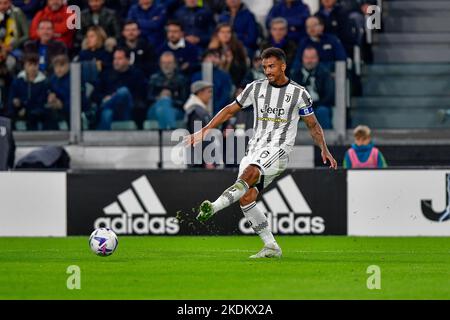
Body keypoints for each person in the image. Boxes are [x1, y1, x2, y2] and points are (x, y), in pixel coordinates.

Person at [185, 47, 337, 258]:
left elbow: (313, 125)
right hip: (254, 149)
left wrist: (324, 149)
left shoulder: (299, 93)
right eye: (264, 66)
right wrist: (204, 130)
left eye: (271, 66)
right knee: (246, 197)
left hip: (278, 149)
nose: (267, 70)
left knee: (250, 175)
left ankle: (214, 207)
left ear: (283, 66)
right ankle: (271, 246)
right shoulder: (255, 88)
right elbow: (229, 110)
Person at [91, 47, 147, 130]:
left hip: (128, 111)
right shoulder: (106, 75)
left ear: (128, 60)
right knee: (107, 113)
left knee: (123, 92)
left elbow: (142, 96)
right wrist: (104, 98)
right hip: (111, 111)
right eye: (115, 58)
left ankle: (106, 105)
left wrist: (115, 97)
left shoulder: (137, 75)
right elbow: (94, 95)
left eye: (120, 58)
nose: (116, 61)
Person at [291, 46, 334, 129]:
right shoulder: (295, 75)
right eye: (307, 58)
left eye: (312, 58)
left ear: (317, 58)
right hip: (300, 108)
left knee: (323, 111)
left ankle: (326, 141)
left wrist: (314, 106)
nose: (309, 61)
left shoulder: (324, 74)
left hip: (320, 106)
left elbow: (329, 95)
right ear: (302, 59)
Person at [147, 51, 188, 129]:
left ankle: (165, 136)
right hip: (154, 109)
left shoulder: (182, 80)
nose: (166, 66)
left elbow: (184, 102)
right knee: (163, 104)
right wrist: (160, 98)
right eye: (164, 63)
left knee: (162, 110)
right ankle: (171, 133)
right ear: (160, 64)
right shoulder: (154, 79)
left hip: (175, 110)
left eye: (169, 63)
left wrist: (170, 99)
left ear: (175, 64)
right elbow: (148, 99)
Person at [8, 53, 48, 130]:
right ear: (25, 66)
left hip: (35, 111)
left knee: (35, 114)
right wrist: (16, 103)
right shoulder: (17, 81)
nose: (33, 68)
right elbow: (12, 97)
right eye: (30, 65)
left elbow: (42, 101)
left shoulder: (44, 82)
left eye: (35, 65)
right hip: (19, 110)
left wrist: (26, 109)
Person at [191, 49, 232, 116]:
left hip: (219, 112)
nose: (213, 59)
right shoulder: (196, 76)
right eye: (210, 56)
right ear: (203, 59)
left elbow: (225, 96)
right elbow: (193, 95)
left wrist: (217, 110)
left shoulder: (224, 76)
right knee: (197, 125)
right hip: (198, 112)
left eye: (216, 57)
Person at [184, 80, 214, 169]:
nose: (210, 95)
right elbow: (199, 138)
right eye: (208, 92)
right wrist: (208, 160)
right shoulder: (197, 112)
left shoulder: (198, 111)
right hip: (199, 163)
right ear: (200, 93)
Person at [208, 23, 247, 87]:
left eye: (228, 32)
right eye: (222, 32)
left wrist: (230, 62)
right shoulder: (212, 48)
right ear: (217, 34)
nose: (225, 35)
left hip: (235, 79)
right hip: (216, 82)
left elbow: (243, 68)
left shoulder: (238, 47)